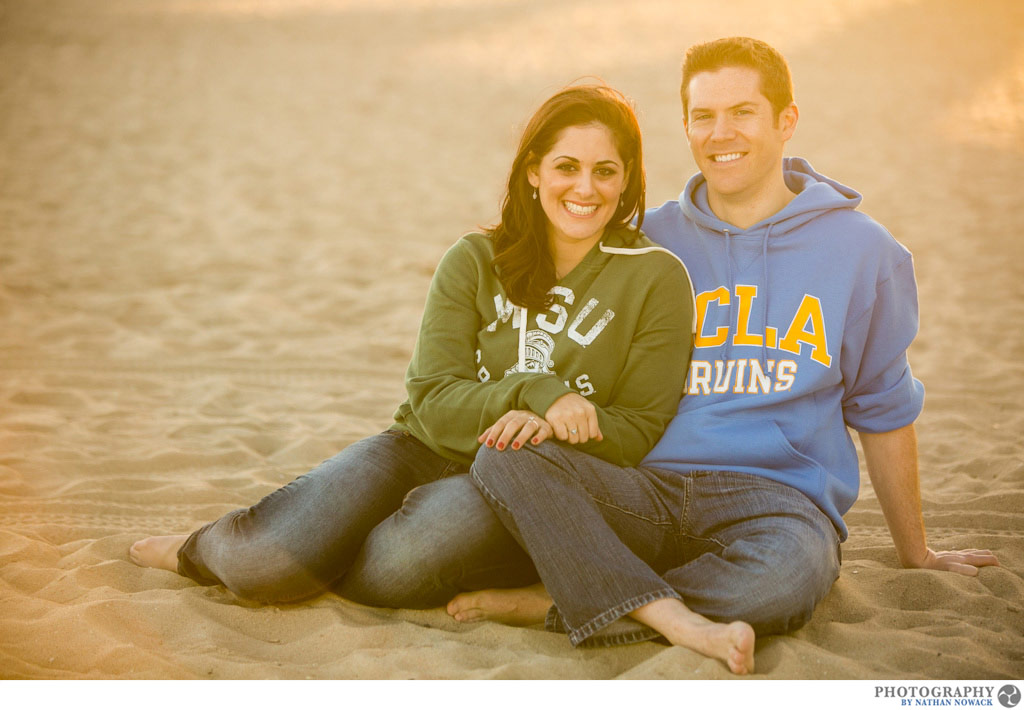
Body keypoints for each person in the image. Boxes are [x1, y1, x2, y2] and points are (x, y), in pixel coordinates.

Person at [353, 37, 1000, 675]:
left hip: (775, 501)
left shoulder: (864, 252)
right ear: (685, 126)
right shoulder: (640, 241)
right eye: (702, 115)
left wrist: (917, 551)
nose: (722, 133)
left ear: (786, 120)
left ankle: (562, 599)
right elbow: (533, 276)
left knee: (783, 584)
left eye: (742, 112)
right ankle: (613, 588)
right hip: (636, 484)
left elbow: (882, 405)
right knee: (511, 457)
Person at [128, 84, 699, 613]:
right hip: (422, 445)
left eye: (605, 171)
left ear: (626, 181)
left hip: (521, 477)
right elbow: (431, 396)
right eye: (566, 167)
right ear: (533, 170)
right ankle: (203, 547)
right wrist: (536, 393)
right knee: (262, 565)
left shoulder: (656, 277)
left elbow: (637, 431)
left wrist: (547, 431)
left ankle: (326, 556)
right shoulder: (475, 258)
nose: (585, 189)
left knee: (392, 571)